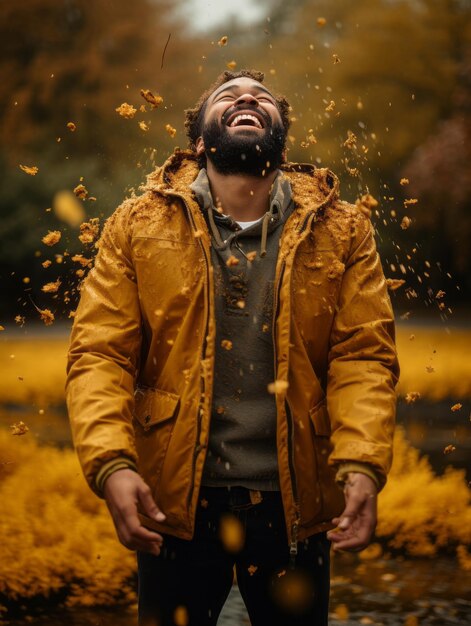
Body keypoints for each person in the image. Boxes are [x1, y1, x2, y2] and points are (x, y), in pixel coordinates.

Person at [66, 69, 399, 626]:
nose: (247, 98)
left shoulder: (342, 228)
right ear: (199, 140)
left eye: (261, 98)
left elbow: (362, 356)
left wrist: (363, 464)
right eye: (230, 96)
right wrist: (112, 464)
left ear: (280, 140)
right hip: (174, 503)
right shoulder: (136, 222)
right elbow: (101, 355)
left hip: (295, 506)